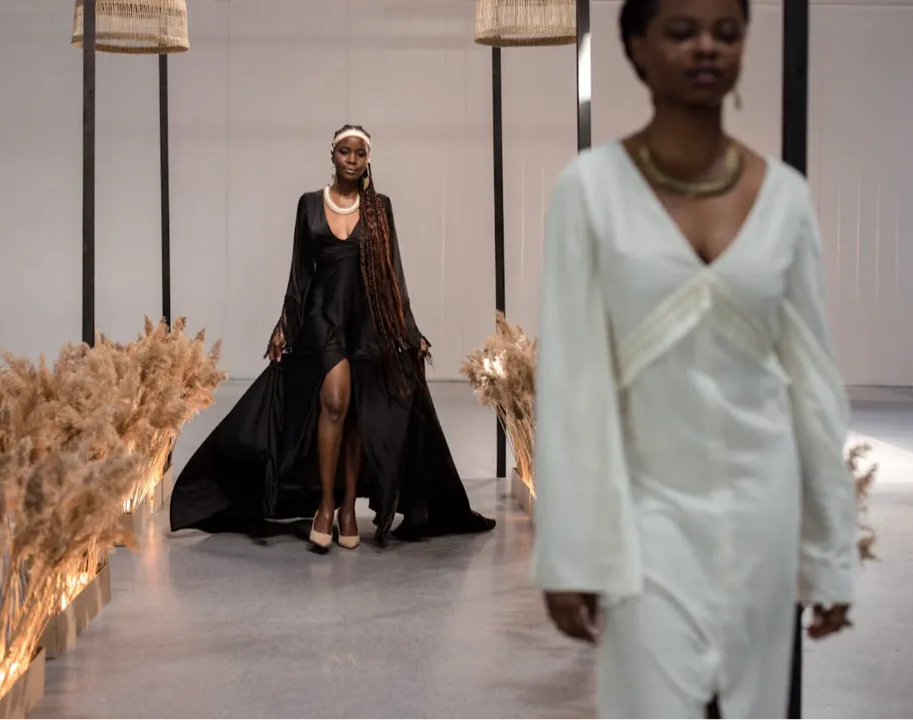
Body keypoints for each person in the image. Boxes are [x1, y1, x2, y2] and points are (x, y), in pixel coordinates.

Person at [530, 0, 856, 718]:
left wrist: (831, 549)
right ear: (637, 48)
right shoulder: (590, 190)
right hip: (647, 508)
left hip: (764, 510)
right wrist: (570, 552)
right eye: (681, 32)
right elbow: (573, 382)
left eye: (726, 33)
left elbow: (813, 381)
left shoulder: (786, 198)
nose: (706, 47)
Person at [170, 124, 495, 552]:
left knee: (358, 412)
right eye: (345, 152)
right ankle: (324, 505)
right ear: (333, 154)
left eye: (360, 154)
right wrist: (285, 325)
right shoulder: (309, 204)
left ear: (367, 159)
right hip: (322, 318)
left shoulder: (379, 208)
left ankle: (347, 509)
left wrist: (410, 330)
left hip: (367, 321)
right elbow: (299, 272)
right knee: (335, 400)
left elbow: (393, 273)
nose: (352, 160)